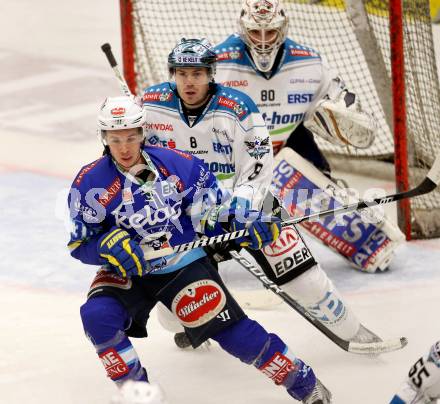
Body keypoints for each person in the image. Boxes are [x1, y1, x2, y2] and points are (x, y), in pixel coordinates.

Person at [67, 95, 332, 404]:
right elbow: (79, 244)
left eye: (130, 137)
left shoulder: (178, 164)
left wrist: (246, 224)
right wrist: (104, 246)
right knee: (97, 316)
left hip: (181, 266)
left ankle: (303, 381)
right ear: (104, 138)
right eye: (115, 139)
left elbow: (215, 216)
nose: (124, 147)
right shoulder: (88, 182)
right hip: (130, 271)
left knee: (237, 337)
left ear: (141, 133)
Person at [142, 37, 383, 351]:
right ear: (172, 74)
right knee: (171, 312)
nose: (190, 82)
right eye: (182, 73)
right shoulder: (149, 105)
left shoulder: (238, 106)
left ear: (211, 73)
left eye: (197, 74)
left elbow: (258, 162)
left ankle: (352, 329)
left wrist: (243, 205)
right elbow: (129, 156)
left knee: (305, 279)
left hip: (247, 206)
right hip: (186, 216)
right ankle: (193, 324)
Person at [213, 0, 405, 274]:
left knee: (317, 193)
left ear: (284, 29)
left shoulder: (309, 62)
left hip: (285, 146)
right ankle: (215, 239)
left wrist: (347, 115)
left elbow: (348, 106)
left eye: (272, 32)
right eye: (257, 32)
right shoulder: (217, 62)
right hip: (234, 156)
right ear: (243, 29)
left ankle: (361, 232)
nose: (264, 41)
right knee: (218, 227)